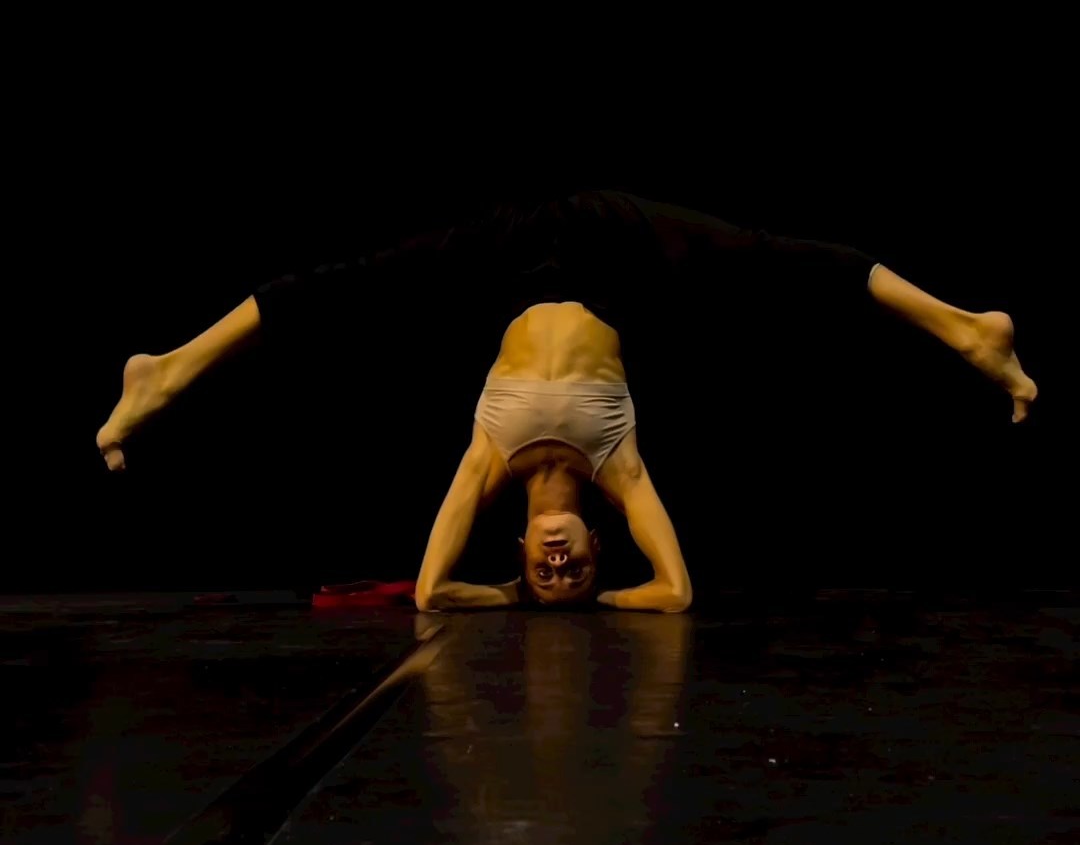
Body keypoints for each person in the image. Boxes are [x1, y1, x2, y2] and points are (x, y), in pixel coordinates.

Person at [95, 191, 1038, 614]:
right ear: (595, 547)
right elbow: (675, 594)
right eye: (573, 574)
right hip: (614, 252)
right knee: (761, 255)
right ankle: (965, 329)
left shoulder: (486, 466)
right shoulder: (622, 472)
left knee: (358, 282)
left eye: (544, 573)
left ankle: (170, 370)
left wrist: (508, 600)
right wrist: (604, 605)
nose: (557, 566)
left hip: (508, 262)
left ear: (519, 550)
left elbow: (429, 593)